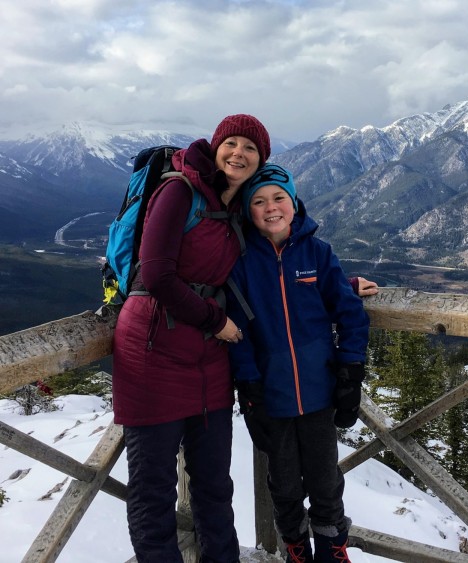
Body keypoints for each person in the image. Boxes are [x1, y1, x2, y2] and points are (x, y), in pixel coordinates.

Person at [112, 113, 272, 562]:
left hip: (207, 359)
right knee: (153, 489)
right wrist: (215, 321)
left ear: (260, 160)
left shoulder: (239, 204)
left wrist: (342, 283)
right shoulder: (179, 190)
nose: (239, 153)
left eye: (250, 148)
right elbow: (157, 273)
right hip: (151, 349)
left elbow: (280, 248)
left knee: (215, 484)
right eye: (232, 143)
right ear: (216, 146)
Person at [227, 164, 371, 563]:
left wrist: (350, 370)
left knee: (326, 480)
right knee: (285, 483)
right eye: (258, 201)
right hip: (271, 397)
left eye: (279, 198)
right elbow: (236, 331)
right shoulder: (239, 263)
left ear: (294, 203)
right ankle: (295, 546)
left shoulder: (317, 253)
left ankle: (330, 546)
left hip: (320, 393)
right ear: (247, 210)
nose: (271, 208)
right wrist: (249, 384)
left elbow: (350, 313)